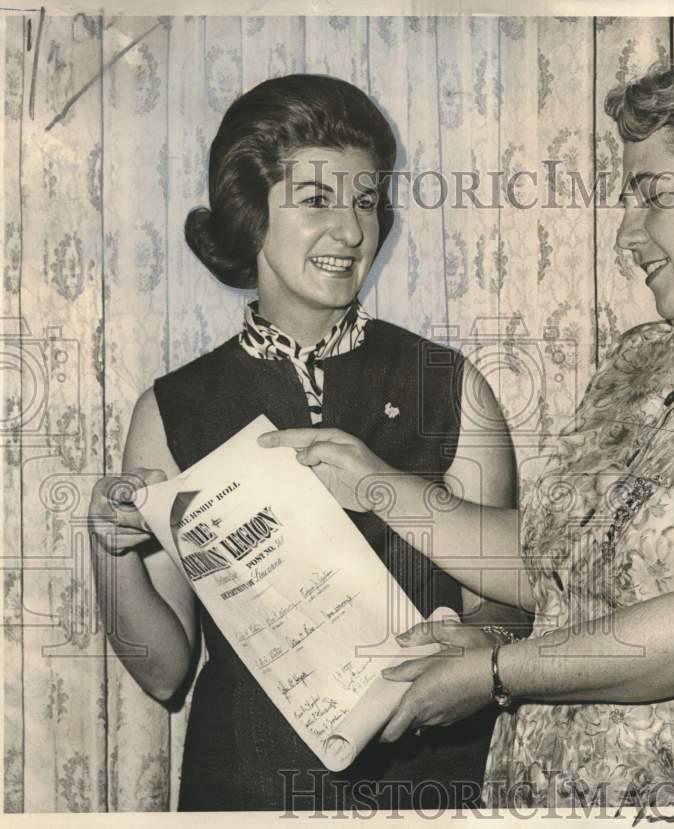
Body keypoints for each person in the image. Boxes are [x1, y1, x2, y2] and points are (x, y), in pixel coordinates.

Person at [260, 53, 674, 807]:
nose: (627, 235)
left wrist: (497, 673)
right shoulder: (635, 362)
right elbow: (555, 570)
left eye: (651, 197)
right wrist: (373, 482)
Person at [88, 74, 524, 811]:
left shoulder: (451, 384)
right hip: (244, 788)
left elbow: (510, 607)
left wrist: (466, 646)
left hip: (428, 783)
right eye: (318, 199)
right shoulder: (171, 409)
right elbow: (163, 673)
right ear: (250, 212)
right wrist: (111, 551)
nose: (352, 231)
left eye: (365, 200)